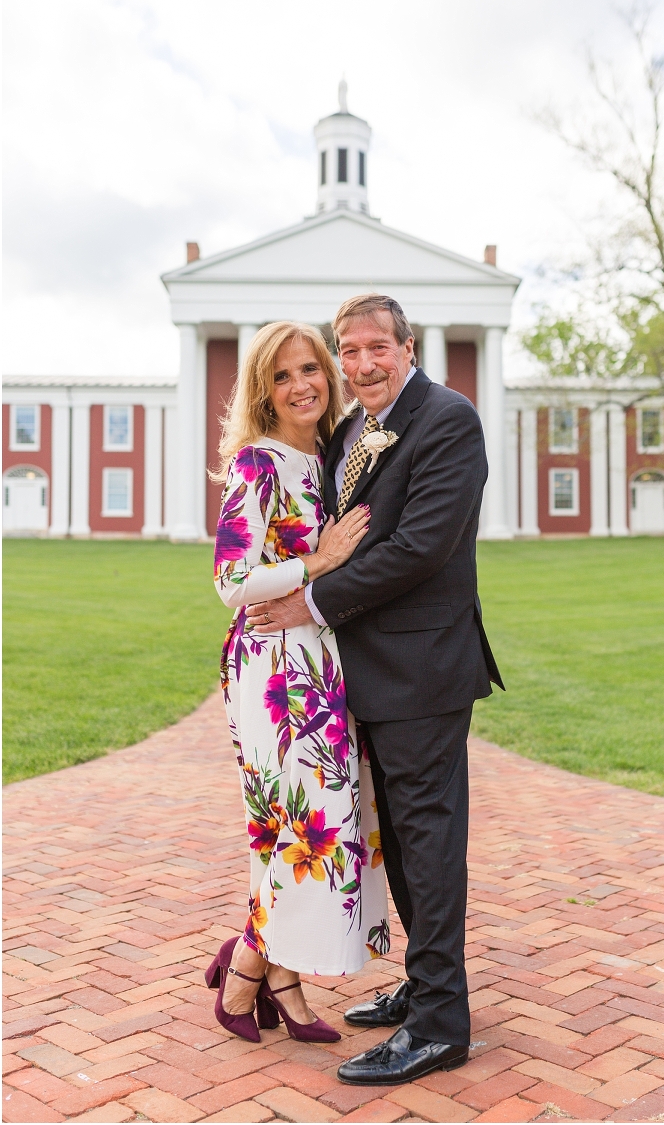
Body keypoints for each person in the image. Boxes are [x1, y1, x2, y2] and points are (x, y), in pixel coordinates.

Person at [246, 294, 504, 1085]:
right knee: (400, 839)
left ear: (407, 345)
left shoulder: (448, 420)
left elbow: (423, 547)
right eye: (348, 352)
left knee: (429, 844)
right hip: (366, 676)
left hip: (423, 670)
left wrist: (311, 602)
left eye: (374, 349)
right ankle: (423, 989)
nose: (360, 366)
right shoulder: (355, 430)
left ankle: (440, 1026)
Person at [206, 321, 389, 1046]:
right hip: (274, 672)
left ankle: (271, 970)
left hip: (325, 664)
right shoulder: (259, 464)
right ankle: (250, 969)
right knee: (296, 827)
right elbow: (230, 582)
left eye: (310, 368)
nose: (301, 385)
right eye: (282, 376)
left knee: (324, 823)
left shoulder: (335, 458)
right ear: (263, 388)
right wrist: (316, 560)